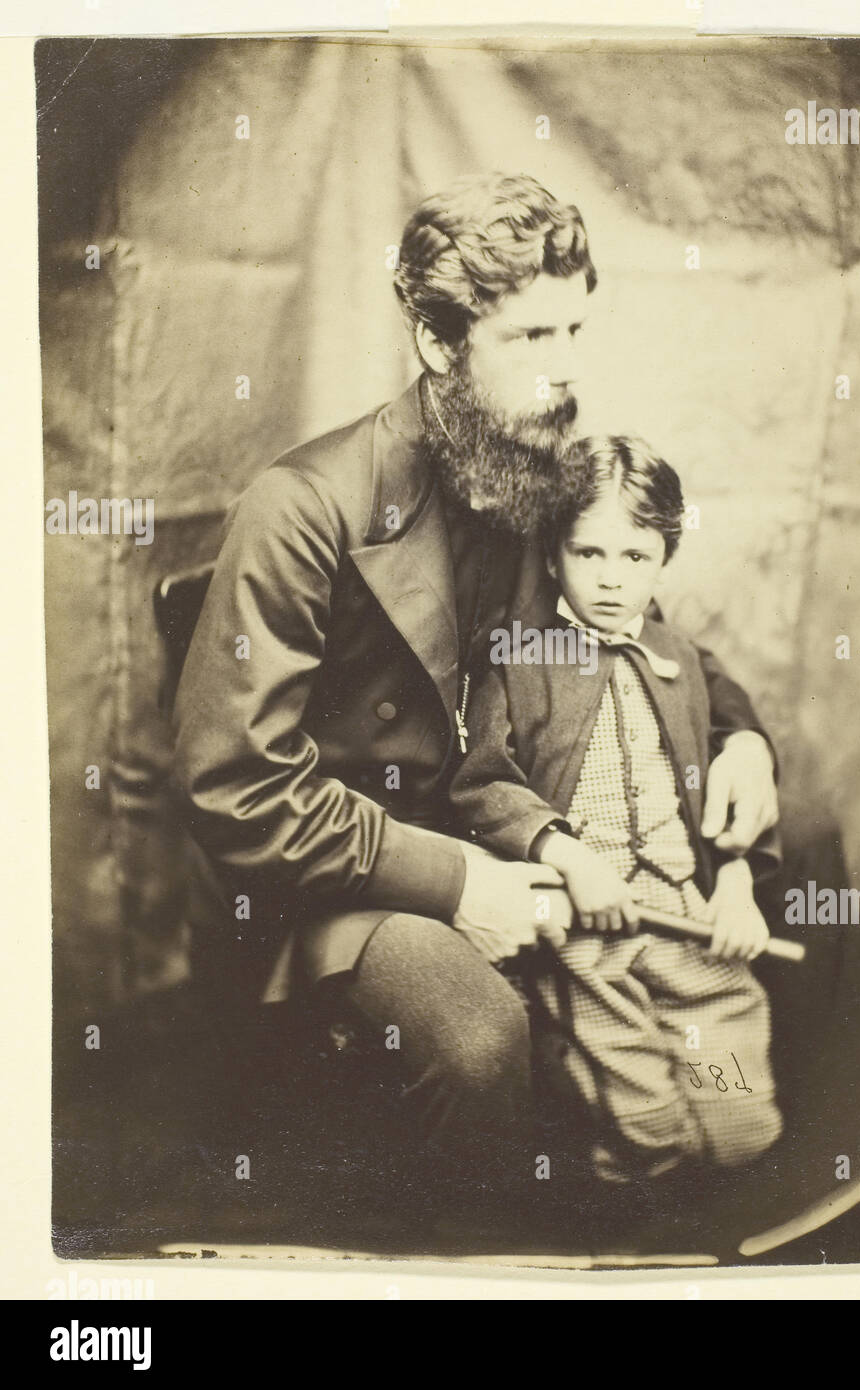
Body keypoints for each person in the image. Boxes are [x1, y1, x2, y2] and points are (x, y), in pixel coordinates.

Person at [172, 172, 780, 1237]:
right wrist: (460, 882)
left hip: (508, 830)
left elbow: (636, 634)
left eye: (576, 331)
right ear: (440, 344)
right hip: (338, 887)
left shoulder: (530, 473)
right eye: (533, 337)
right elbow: (238, 792)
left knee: (712, 1009)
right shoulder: (302, 506)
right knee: (481, 1034)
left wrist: (741, 742)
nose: (567, 372)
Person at [451, 435, 784, 1190]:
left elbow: (720, 797)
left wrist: (734, 884)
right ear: (550, 555)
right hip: (583, 928)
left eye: (633, 558)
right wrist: (568, 859)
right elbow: (481, 783)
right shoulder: (516, 655)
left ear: (663, 558)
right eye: (586, 553)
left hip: (683, 910)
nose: (608, 579)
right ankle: (622, 1215)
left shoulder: (680, 657)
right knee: (648, 1130)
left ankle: (703, 1182)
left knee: (740, 1131)